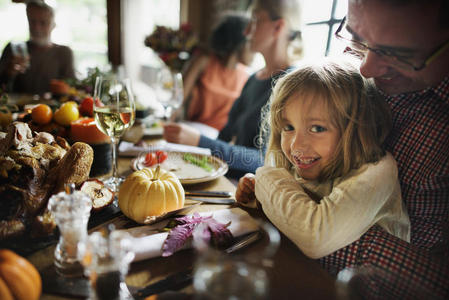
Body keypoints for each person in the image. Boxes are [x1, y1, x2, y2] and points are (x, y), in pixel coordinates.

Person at [318, 0, 448, 298]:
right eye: (357, 38)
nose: (366, 69)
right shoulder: (354, 70)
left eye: (398, 54)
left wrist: (307, 217)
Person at [236, 58, 410, 259]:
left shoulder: (377, 171)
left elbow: (314, 237)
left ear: (354, 130)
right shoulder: (310, 162)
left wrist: (266, 178)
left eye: (317, 128)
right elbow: (290, 209)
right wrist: (256, 195)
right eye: (288, 128)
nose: (296, 146)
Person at [163, 0, 303, 179]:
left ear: (278, 27)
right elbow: (224, 136)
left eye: (255, 21)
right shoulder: (254, 79)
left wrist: (199, 141)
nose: (246, 32)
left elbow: (265, 160)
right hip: (225, 180)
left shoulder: (292, 85)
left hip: (253, 192)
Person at [182, 13, 253, 131]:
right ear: (239, 42)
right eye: (251, 42)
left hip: (221, 140)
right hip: (193, 129)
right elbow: (178, 99)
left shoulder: (246, 76)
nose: (254, 50)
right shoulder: (204, 61)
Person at [0, 0, 75, 95]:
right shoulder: (13, 49)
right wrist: (9, 73)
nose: (36, 28)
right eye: (32, 21)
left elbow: (72, 89)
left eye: (43, 23)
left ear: (53, 25)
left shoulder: (64, 53)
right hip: (17, 108)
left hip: (50, 108)